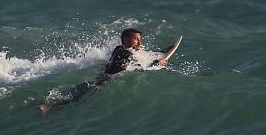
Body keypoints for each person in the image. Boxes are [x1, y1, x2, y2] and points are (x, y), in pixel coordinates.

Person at [39, 28, 171, 115]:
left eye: (140, 39)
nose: (139, 42)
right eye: (136, 39)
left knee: (69, 93)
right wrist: (157, 63)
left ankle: (36, 104)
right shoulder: (125, 54)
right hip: (103, 82)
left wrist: (159, 52)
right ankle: (49, 107)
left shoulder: (119, 49)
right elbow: (140, 67)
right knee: (75, 99)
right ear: (125, 39)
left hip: (98, 79)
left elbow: (140, 54)